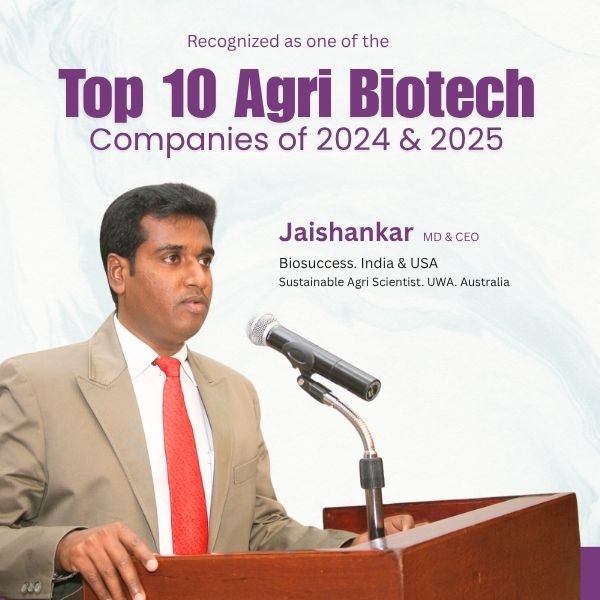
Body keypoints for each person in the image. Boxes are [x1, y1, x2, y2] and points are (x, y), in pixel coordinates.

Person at [0, 183, 413, 600]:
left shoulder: (235, 392)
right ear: (119, 273)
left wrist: (351, 548)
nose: (198, 277)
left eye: (205, 260)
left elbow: (259, 528)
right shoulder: (36, 386)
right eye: (173, 258)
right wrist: (63, 546)